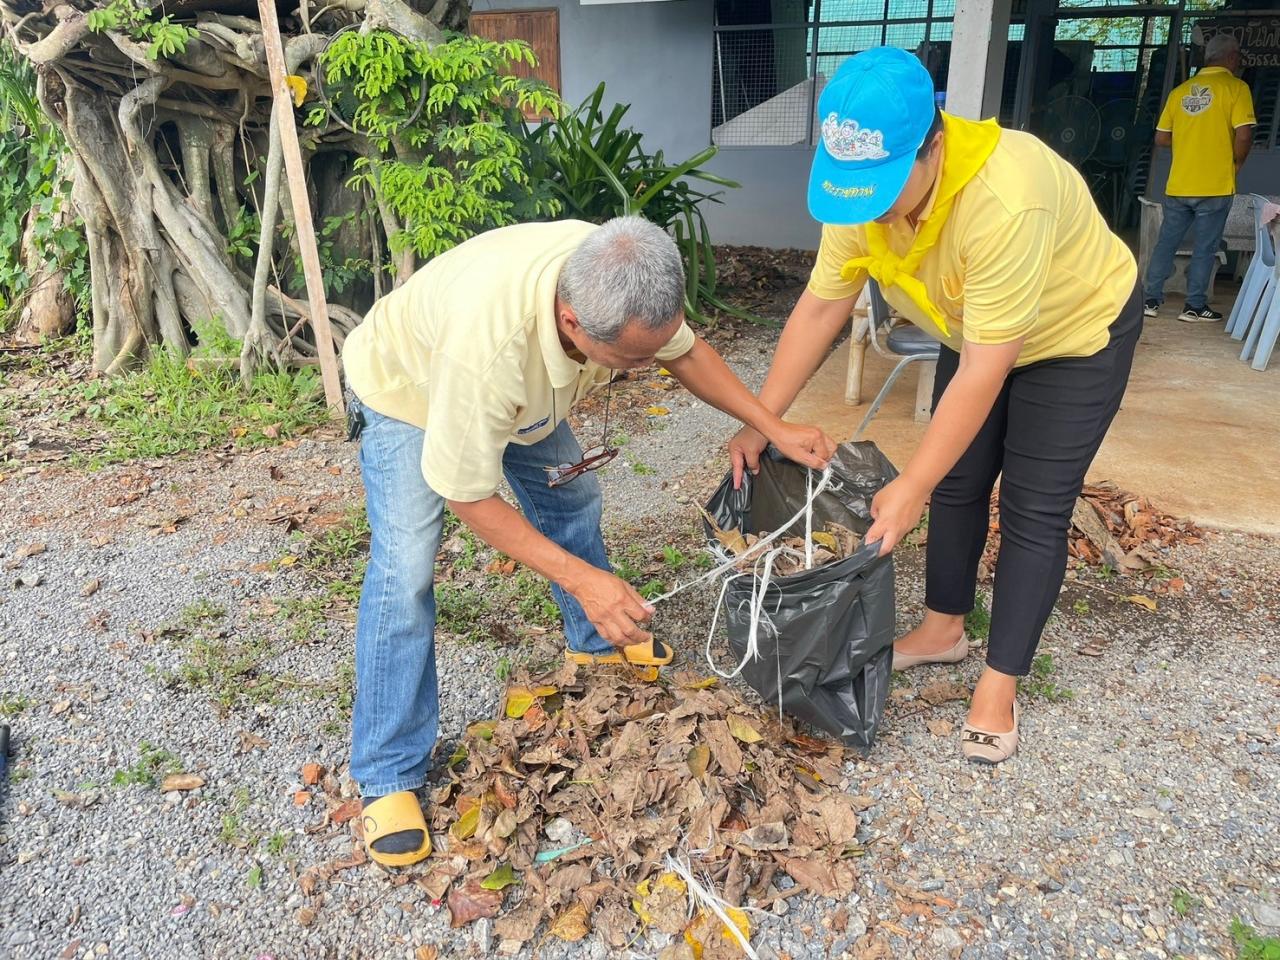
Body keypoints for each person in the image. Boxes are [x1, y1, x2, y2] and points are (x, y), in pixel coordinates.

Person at [341, 215, 836, 866]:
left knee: (572, 497)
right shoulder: (487, 354)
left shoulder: (616, 274)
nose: (646, 368)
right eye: (633, 360)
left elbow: (685, 352)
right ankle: (387, 772)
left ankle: (596, 642)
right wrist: (584, 579)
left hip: (522, 390)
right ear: (572, 323)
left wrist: (772, 425)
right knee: (405, 570)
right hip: (411, 390)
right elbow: (468, 496)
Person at [729, 46, 1142, 764]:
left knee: (1034, 506)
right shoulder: (860, 194)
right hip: (970, 325)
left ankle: (1000, 682)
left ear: (935, 144)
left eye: (885, 186)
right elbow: (822, 307)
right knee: (958, 482)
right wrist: (760, 421)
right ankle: (944, 628)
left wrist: (910, 484)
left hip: (1074, 337)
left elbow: (986, 371)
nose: (871, 205)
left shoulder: (1005, 198)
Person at [1143, 33, 1255, 322]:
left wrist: (1189, 139)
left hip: (1180, 183)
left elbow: (1161, 139)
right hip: (1215, 185)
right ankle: (1193, 306)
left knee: (1166, 244)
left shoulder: (1180, 92)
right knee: (1205, 248)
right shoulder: (1236, 88)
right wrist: (1237, 162)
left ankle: (1150, 300)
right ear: (1231, 58)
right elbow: (1244, 135)